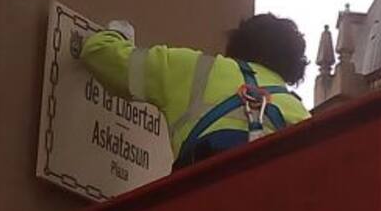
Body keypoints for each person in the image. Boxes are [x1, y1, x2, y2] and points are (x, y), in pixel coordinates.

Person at [80, 13, 311, 168]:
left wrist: (118, 34)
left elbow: (99, 52)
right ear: (293, 68)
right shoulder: (300, 113)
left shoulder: (197, 69)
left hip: (200, 202)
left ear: (236, 46)